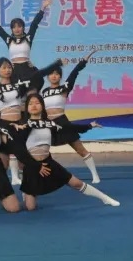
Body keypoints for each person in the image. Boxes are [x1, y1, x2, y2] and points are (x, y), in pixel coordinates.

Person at [15, 93, 119, 210]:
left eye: (37, 103)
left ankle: (105, 198)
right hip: (32, 165)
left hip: (48, 163)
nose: (34, 105)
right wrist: (35, 165)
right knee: (30, 207)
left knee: (76, 183)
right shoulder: (23, 126)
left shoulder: (50, 124)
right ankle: (26, 193)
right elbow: (19, 151)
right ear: (27, 108)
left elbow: (70, 128)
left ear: (43, 106)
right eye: (30, 104)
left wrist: (90, 126)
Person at [0, 56, 64, 184]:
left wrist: (56, 64)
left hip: (19, 123)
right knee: (4, 159)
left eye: (9, 67)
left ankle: (24, 181)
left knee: (23, 154)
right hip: (4, 124)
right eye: (4, 68)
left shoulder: (18, 85)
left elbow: (38, 75)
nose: (7, 70)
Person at [39, 51, 102, 182]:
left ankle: (95, 175)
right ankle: (43, 176)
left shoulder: (64, 88)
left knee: (80, 150)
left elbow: (74, 73)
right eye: (51, 74)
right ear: (48, 77)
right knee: (41, 151)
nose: (54, 76)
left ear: (60, 76)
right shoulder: (44, 91)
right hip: (48, 124)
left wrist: (83, 61)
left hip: (62, 122)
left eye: (57, 74)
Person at [0, 0, 52, 84]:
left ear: (23, 27)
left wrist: (43, 8)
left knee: (33, 87)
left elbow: (34, 24)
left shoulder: (28, 38)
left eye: (19, 26)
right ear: (11, 29)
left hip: (27, 68)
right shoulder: (9, 39)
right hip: (14, 70)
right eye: (14, 27)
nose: (17, 29)